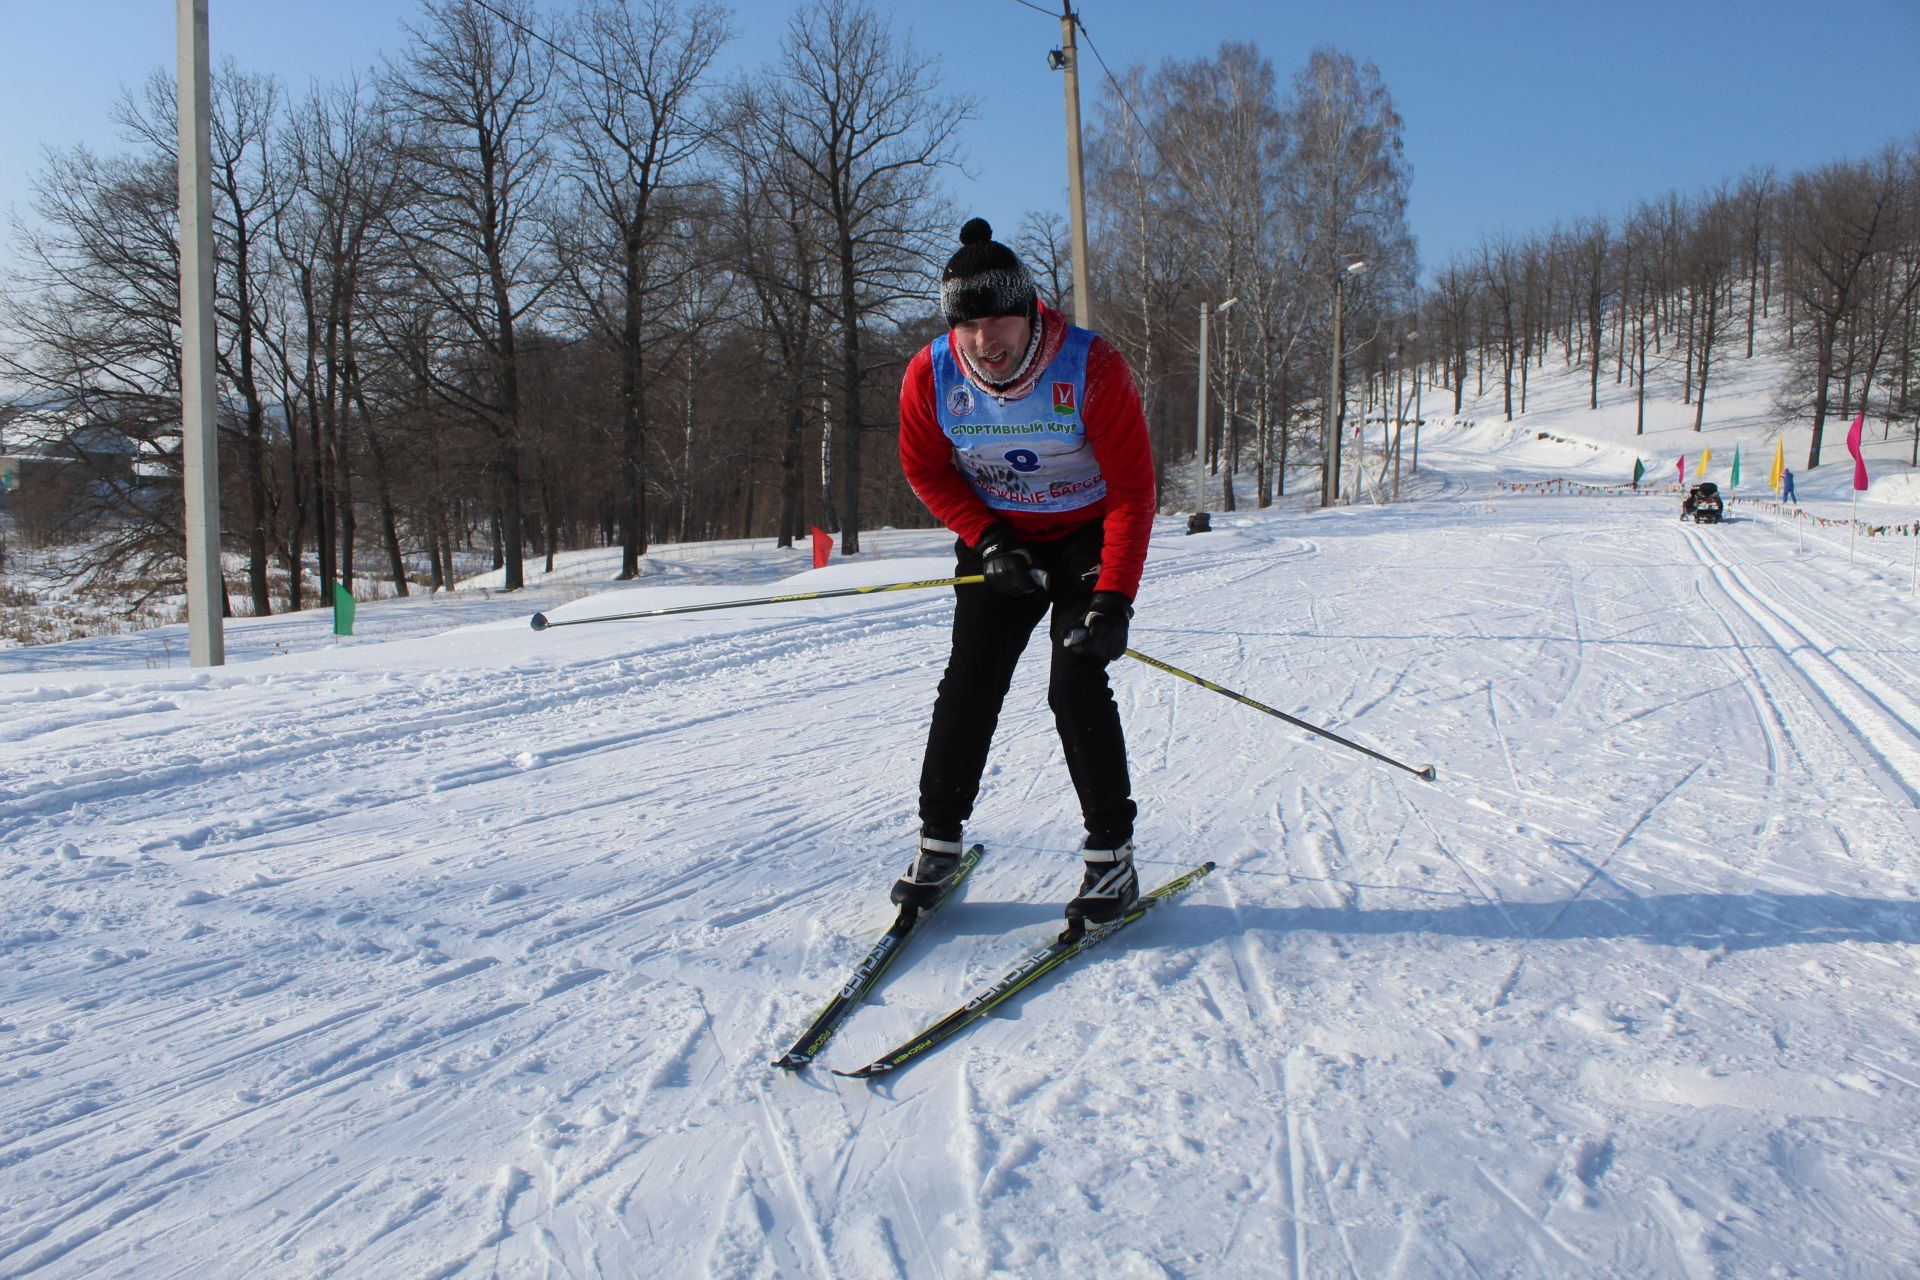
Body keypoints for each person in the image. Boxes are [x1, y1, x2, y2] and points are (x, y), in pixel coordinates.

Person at [892, 218, 1156, 926]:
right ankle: (937, 842)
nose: (986, 341)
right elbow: (924, 469)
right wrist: (985, 538)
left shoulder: (1090, 367)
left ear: (1030, 307)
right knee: (971, 680)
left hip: (1086, 533)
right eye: (968, 325)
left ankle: (1112, 861)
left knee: (1075, 681)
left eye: (999, 320)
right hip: (1001, 539)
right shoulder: (933, 373)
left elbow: (1133, 490)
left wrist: (1113, 600)